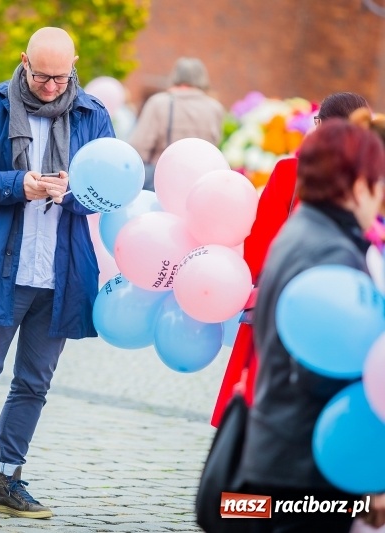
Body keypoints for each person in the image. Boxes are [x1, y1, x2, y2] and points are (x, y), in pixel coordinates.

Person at [0, 27, 114, 519]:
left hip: (62, 268)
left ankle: (7, 480)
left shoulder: (93, 115)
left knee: (34, 382)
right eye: (42, 76)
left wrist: (70, 191)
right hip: (3, 264)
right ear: (23, 62)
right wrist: (19, 184)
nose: (52, 85)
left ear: (74, 64)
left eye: (61, 76)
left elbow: (110, 189)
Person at [236, 119, 384, 532]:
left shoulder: (304, 231)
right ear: (358, 186)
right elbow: (324, 371)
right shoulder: (331, 251)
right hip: (304, 467)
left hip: (278, 450)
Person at [211, 92, 370, 427]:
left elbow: (261, 247)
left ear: (318, 125)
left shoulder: (291, 171)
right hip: (346, 314)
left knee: (258, 403)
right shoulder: (368, 184)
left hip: (282, 304)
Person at [129, 57, 225, 190]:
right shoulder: (215, 108)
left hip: (163, 181)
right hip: (200, 183)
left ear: (175, 76)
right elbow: (215, 146)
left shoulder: (159, 103)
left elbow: (139, 147)